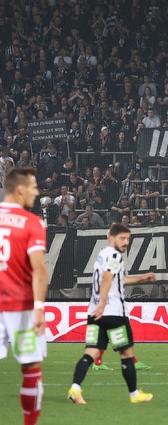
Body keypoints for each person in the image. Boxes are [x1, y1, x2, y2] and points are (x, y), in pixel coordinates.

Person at [68, 223, 155, 405]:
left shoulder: (102, 255)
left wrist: (142, 277)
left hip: (94, 314)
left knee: (90, 353)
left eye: (127, 239)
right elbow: (108, 278)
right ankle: (134, 395)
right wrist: (102, 304)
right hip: (113, 314)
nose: (126, 242)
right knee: (126, 354)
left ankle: (75, 389)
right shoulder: (115, 255)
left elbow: (118, 279)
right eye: (122, 238)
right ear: (111, 238)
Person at [0, 167, 47, 425]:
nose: (36, 192)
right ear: (20, 189)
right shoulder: (32, 222)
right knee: (30, 368)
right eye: (33, 187)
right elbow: (39, 268)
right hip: (21, 307)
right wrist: (39, 307)